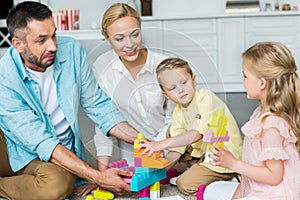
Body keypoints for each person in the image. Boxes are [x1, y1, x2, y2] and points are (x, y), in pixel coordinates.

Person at [0, 1, 140, 199]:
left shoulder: (72, 50)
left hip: (49, 149)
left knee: (60, 183)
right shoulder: (4, 77)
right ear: (18, 44)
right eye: (42, 40)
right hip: (14, 146)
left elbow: (98, 104)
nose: (53, 46)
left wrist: (145, 142)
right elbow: (41, 141)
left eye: (53, 35)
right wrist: (99, 177)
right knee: (56, 184)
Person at [204, 41, 300, 200]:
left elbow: (274, 176)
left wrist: (234, 164)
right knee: (212, 190)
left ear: (262, 83)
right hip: (259, 187)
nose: (243, 81)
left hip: (275, 195)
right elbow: (252, 170)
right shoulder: (260, 113)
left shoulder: (272, 126)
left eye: (245, 76)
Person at [138, 57, 243, 196]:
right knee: (172, 132)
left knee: (185, 184)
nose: (180, 90)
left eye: (184, 82)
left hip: (222, 156)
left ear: (193, 81)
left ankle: (230, 177)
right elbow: (177, 150)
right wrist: (157, 172)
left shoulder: (206, 98)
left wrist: (158, 144)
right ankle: (196, 166)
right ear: (166, 94)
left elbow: (196, 134)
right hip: (204, 152)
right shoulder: (178, 111)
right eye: (173, 88)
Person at [92, 3, 174, 170]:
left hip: (171, 149)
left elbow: (176, 117)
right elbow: (104, 119)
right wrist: (101, 173)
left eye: (135, 35)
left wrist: (158, 147)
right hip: (133, 155)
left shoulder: (163, 65)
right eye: (119, 39)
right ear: (107, 39)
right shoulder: (101, 67)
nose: (129, 45)